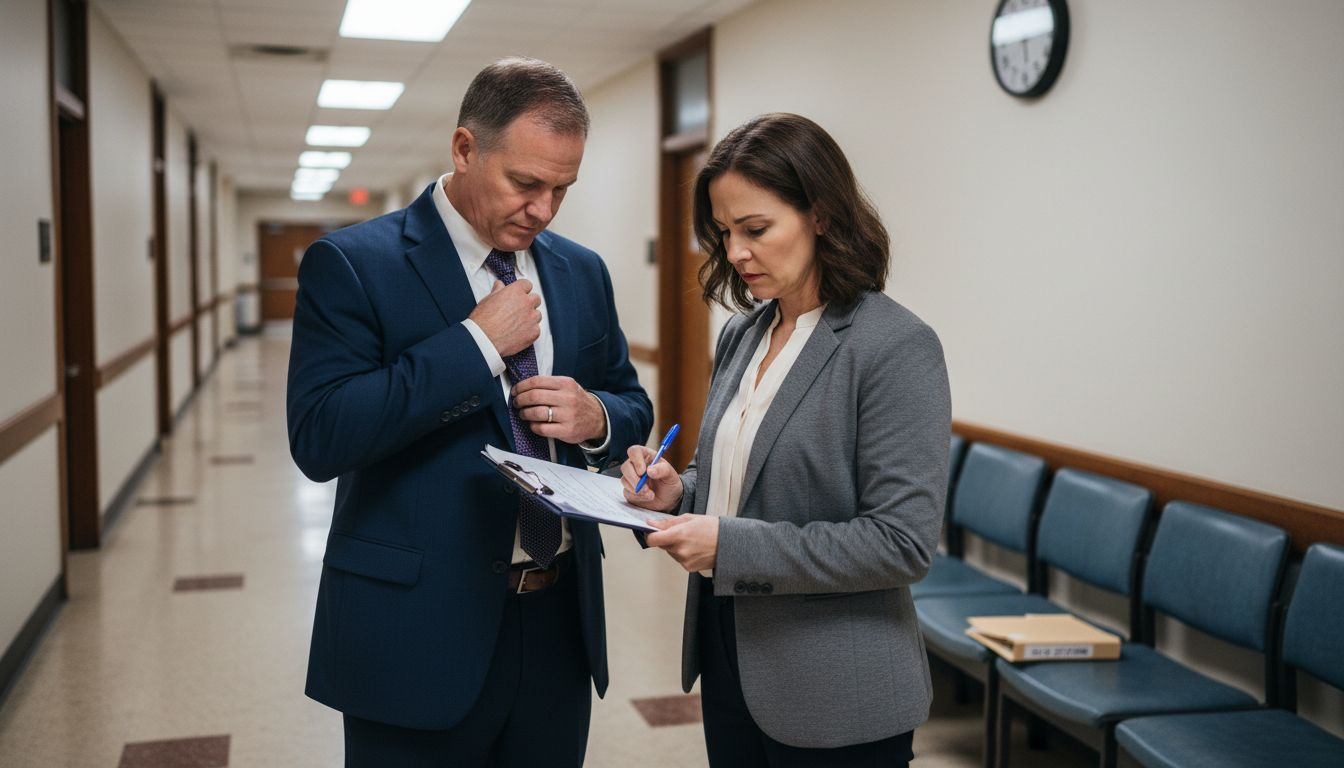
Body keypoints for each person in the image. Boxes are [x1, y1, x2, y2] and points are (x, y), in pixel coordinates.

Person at [286, 57, 653, 767]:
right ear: (464, 149)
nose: (543, 210)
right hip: (414, 629)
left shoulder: (581, 271)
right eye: (525, 183)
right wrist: (478, 342)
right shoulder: (354, 263)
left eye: (561, 189)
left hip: (556, 623)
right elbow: (322, 435)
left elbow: (631, 403)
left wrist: (596, 418)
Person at [620, 113, 951, 767]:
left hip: (837, 694)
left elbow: (901, 543)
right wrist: (677, 493)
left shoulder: (893, 347)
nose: (735, 253)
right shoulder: (743, 335)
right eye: (723, 232)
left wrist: (729, 545)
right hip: (731, 661)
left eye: (756, 229)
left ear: (822, 215)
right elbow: (735, 482)